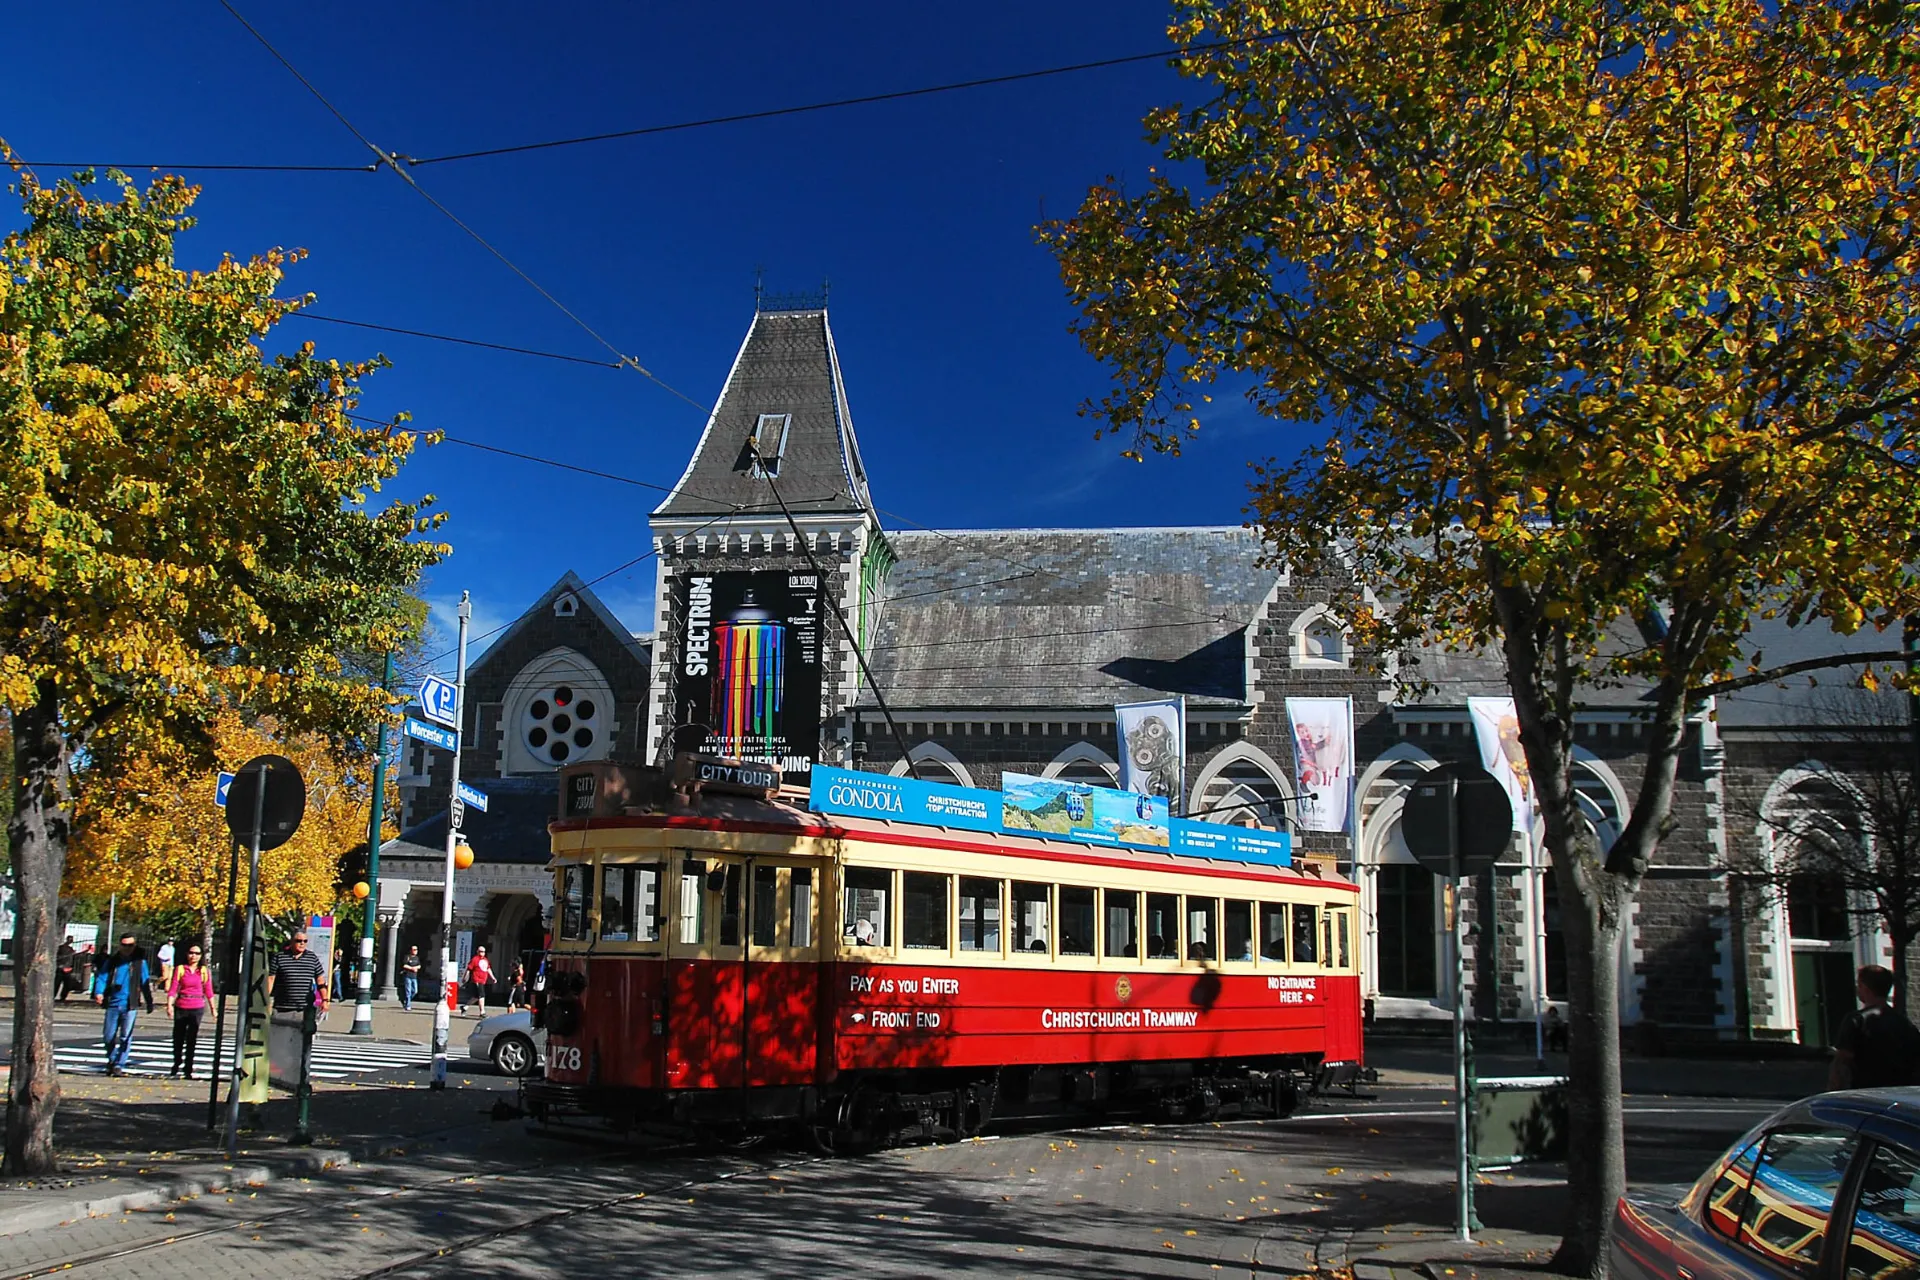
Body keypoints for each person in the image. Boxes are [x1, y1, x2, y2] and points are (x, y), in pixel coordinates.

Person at [1829, 965, 1920, 1090]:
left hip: (1867, 1094)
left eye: (1859, 985)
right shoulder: (1904, 1023)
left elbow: (1842, 1062)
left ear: (1865, 988)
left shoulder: (1857, 1020)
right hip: (1899, 1094)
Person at [91, 934, 153, 1077]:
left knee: (126, 1036)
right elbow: (102, 977)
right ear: (119, 945)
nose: (127, 948)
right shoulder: (112, 961)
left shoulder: (139, 963)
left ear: (134, 946)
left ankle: (119, 1064)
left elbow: (145, 982)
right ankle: (112, 1059)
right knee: (108, 1036)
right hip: (113, 1002)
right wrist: (99, 992)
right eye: (124, 945)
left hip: (130, 1004)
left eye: (130, 945)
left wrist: (149, 1001)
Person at [167, 943, 214, 1079]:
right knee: (178, 1037)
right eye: (191, 952)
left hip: (197, 1006)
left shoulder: (203, 971)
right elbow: (173, 988)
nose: (193, 956)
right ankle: (177, 1061)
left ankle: (188, 1068)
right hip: (182, 1005)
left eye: (197, 953)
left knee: (191, 1038)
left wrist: (213, 1009)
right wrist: (169, 1005)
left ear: (201, 956)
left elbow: (208, 990)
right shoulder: (181, 969)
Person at [266, 930, 327, 1018]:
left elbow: (320, 980)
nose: (302, 943)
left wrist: (324, 1000)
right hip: (282, 1008)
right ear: (292, 942)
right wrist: (266, 1000)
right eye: (299, 941)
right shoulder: (279, 957)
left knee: (306, 1030)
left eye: (305, 941)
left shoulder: (312, 958)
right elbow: (271, 979)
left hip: (304, 1009)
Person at [463, 945, 495, 1015]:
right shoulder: (475, 959)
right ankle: (482, 1012)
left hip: (483, 980)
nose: (482, 953)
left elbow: (488, 969)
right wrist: (465, 977)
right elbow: (469, 969)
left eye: (483, 952)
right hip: (477, 980)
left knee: (476, 996)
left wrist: (493, 977)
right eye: (481, 951)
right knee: (481, 995)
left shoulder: (486, 960)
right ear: (477, 952)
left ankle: (465, 1007)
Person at [400, 946, 422, 1010]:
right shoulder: (407, 957)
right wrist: (412, 968)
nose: (415, 951)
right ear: (411, 950)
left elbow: (419, 965)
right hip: (408, 976)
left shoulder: (417, 958)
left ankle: (406, 1001)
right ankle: (408, 1005)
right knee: (408, 991)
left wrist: (416, 968)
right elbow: (404, 965)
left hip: (414, 976)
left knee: (415, 991)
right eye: (414, 949)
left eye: (416, 950)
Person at [56, 936, 77, 1002]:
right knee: (57, 984)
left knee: (67, 985)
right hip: (61, 968)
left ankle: (63, 997)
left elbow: (72, 958)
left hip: (68, 968)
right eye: (70, 939)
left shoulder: (71, 949)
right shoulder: (61, 948)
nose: (71, 941)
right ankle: (54, 996)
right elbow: (58, 957)